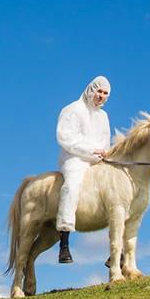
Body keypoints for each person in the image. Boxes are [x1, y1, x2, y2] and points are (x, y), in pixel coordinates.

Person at [55, 76, 113, 263]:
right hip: (75, 159)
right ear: (91, 90)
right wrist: (89, 151)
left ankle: (117, 250)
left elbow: (105, 140)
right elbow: (65, 138)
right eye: (99, 91)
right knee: (71, 186)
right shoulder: (72, 109)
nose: (101, 96)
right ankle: (64, 241)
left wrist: (105, 153)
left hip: (97, 160)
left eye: (105, 94)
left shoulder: (103, 116)